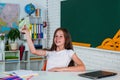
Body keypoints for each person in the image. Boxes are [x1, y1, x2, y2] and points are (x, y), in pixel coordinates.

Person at [21, 26, 86, 72]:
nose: (57, 39)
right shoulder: (50, 52)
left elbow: (82, 67)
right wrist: (27, 34)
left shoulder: (69, 52)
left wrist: (59, 69)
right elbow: (33, 51)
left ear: (66, 39)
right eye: (56, 36)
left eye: (61, 36)